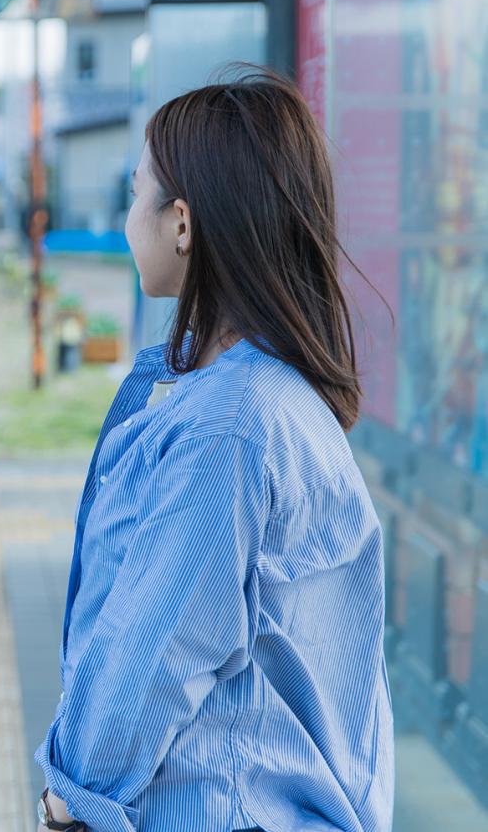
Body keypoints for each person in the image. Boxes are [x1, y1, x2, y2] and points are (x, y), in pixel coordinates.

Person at [34, 69, 394, 832]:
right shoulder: (270, 395)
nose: (130, 217)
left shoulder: (227, 426)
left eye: (137, 194)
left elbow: (147, 657)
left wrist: (66, 798)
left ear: (182, 223)